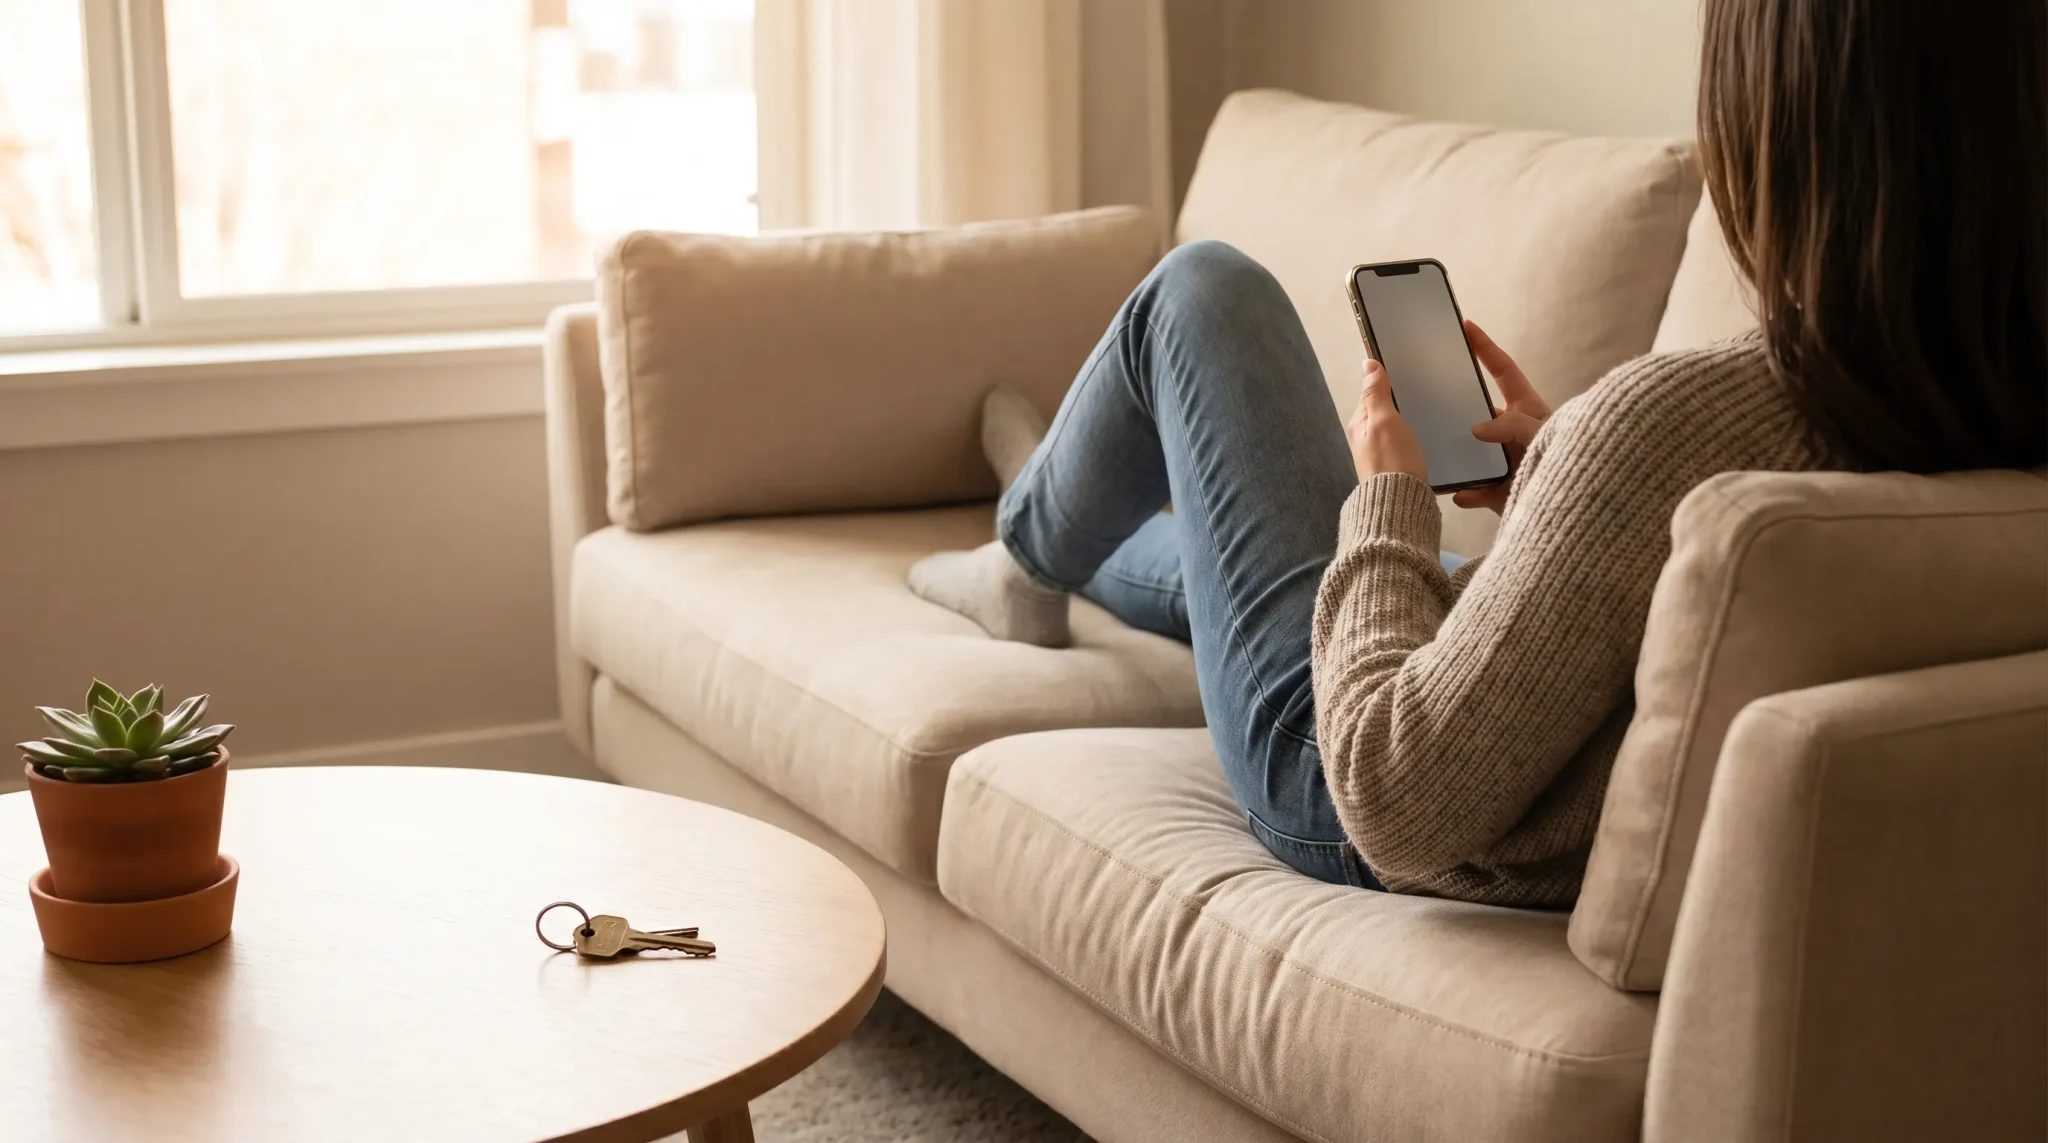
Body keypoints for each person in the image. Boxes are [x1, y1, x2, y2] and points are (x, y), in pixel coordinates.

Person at [908, 0, 2046, 907]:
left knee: (1202, 295)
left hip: (1346, 783)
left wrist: (1395, 496)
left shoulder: (1667, 424)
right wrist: (1561, 481)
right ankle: (1039, 508)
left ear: (1776, 122)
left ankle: (1029, 536)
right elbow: (1729, 602)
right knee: (1232, 547)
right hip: (1520, 709)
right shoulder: (1978, 418)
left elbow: (1388, 796)